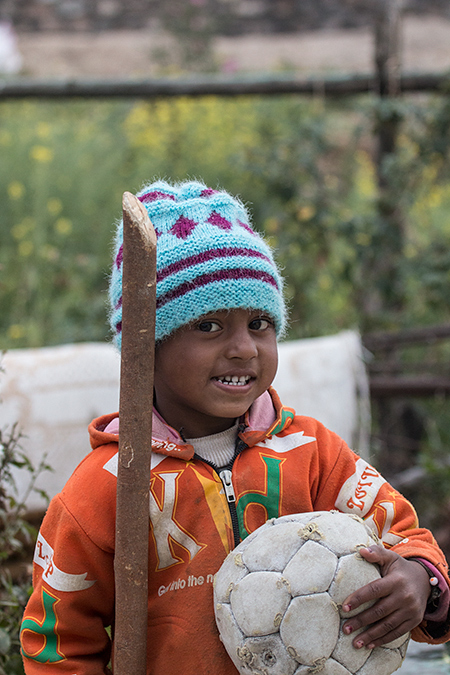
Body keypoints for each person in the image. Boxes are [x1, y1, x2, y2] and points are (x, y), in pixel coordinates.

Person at [20, 180, 450, 675]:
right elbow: (58, 641)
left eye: (260, 323)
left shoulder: (312, 452)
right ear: (147, 347)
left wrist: (420, 579)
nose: (244, 348)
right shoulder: (107, 486)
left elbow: (403, 533)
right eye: (209, 326)